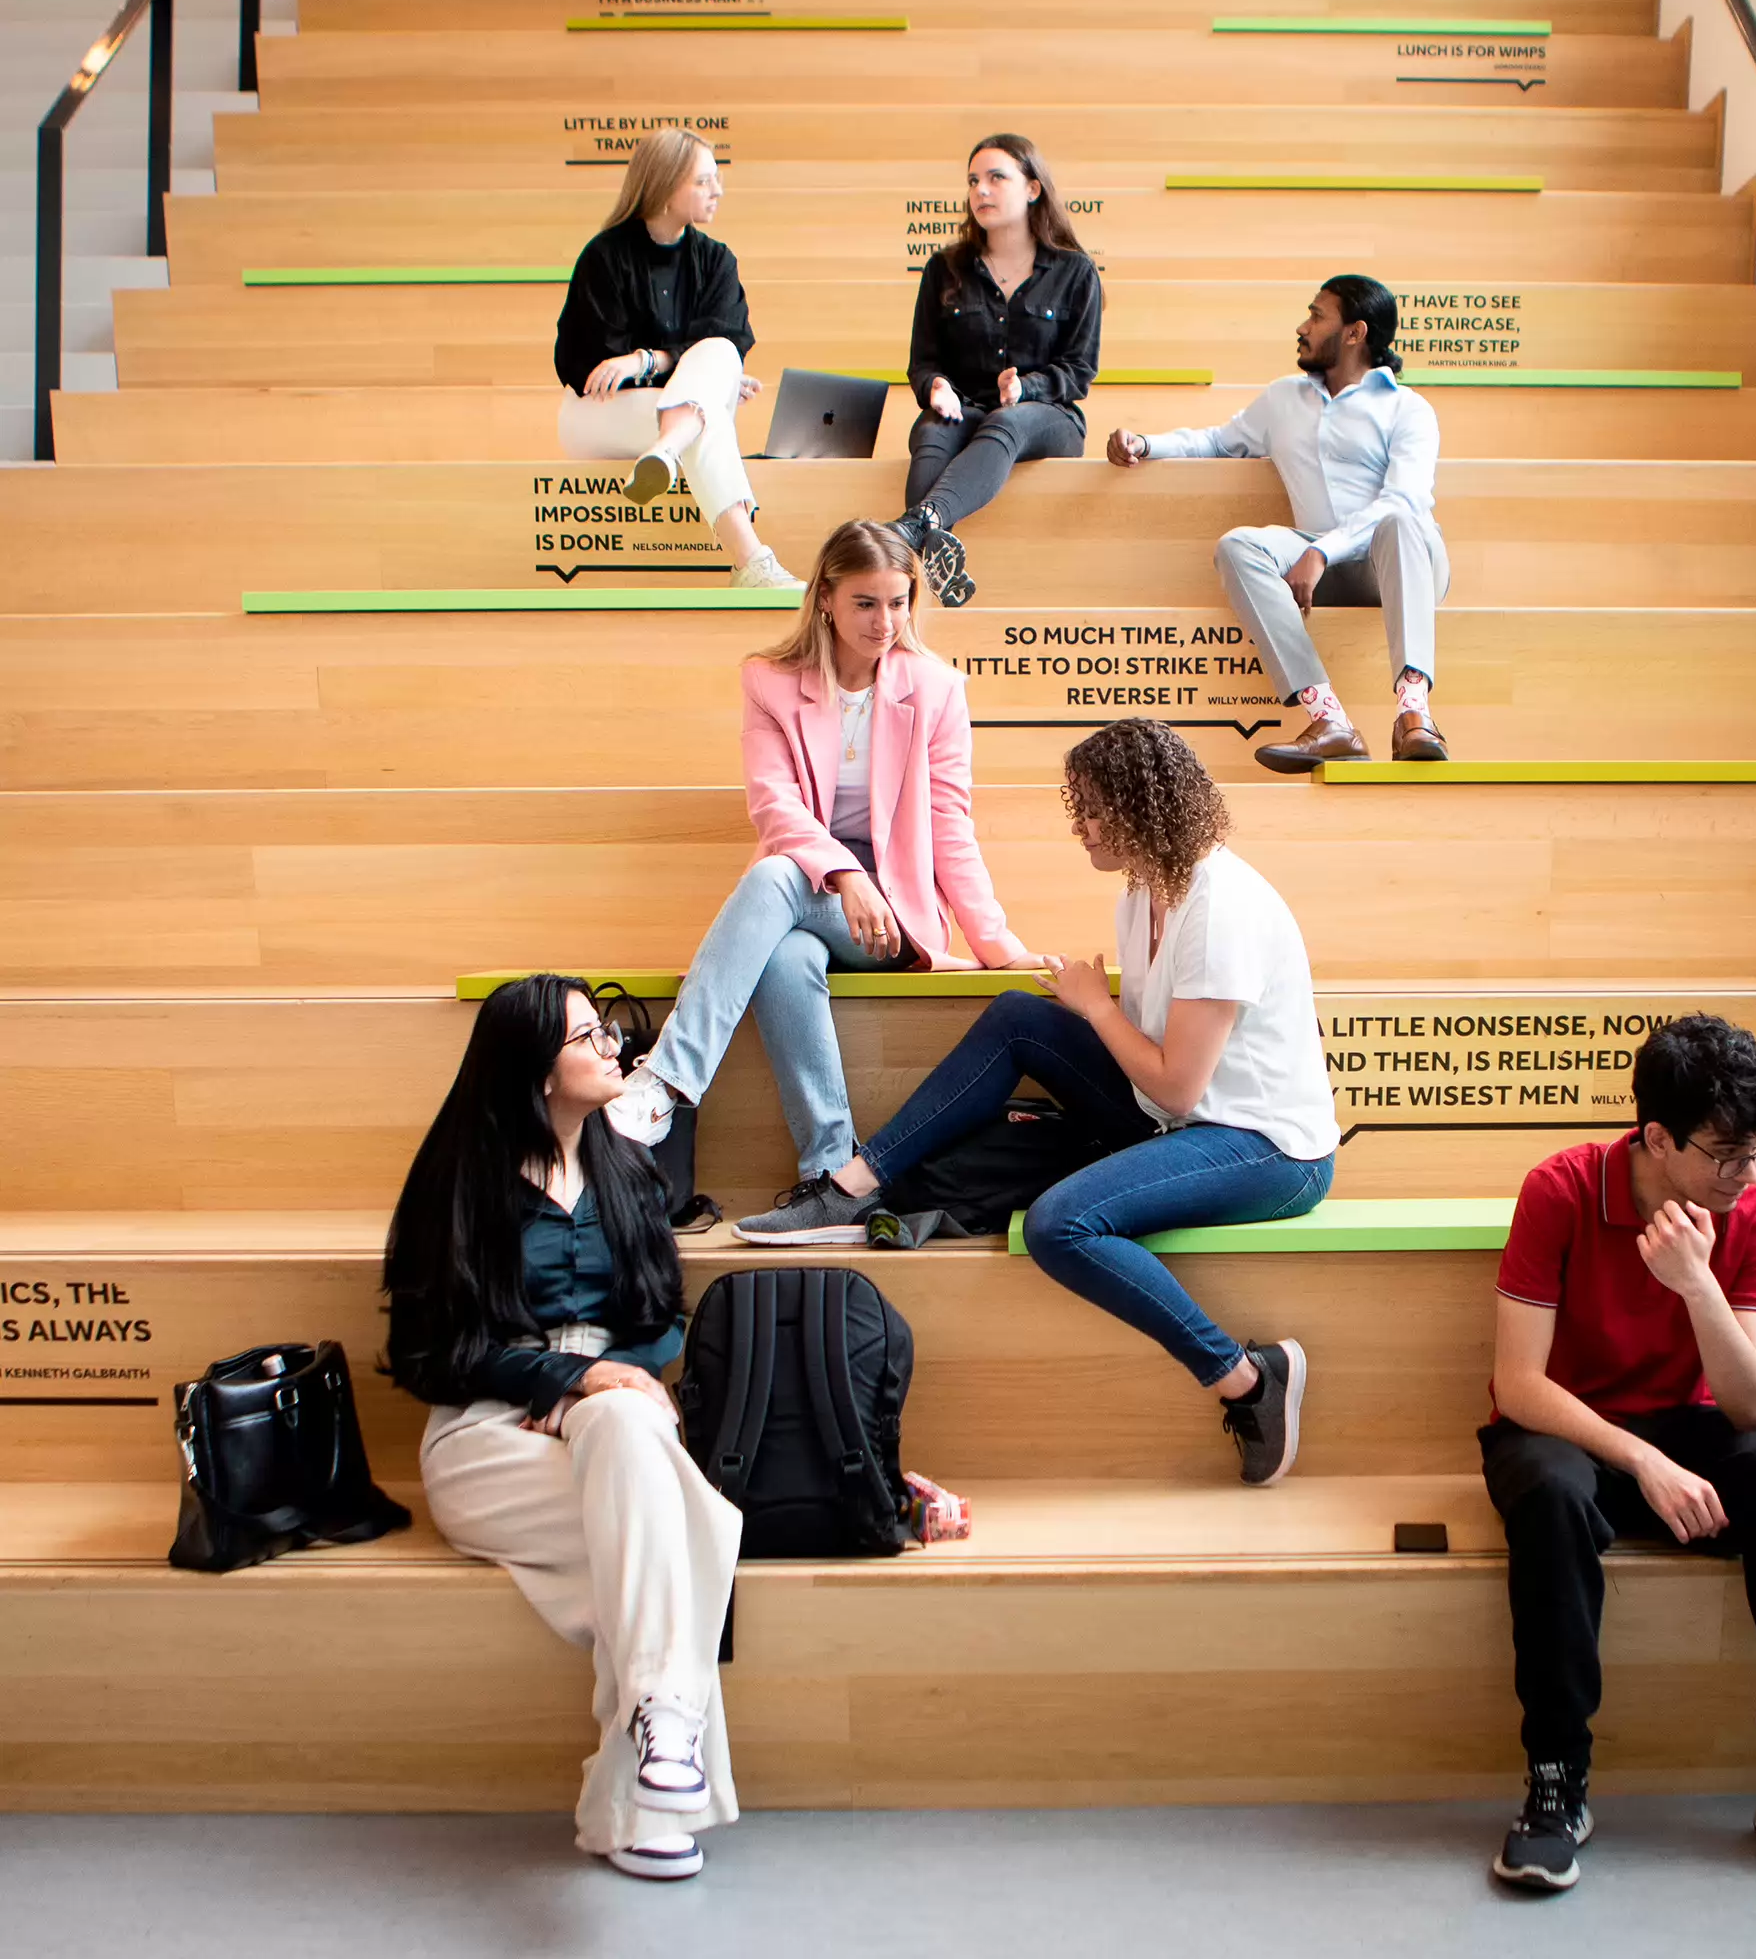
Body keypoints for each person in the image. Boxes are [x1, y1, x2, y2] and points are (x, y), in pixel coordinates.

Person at [738, 718, 1336, 1488]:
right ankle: (853, 1185)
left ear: (1144, 807)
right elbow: (1165, 1087)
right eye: (1075, 807)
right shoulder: (1142, 895)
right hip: (1179, 1120)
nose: (1081, 826)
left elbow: (1179, 1084)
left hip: (1266, 1148)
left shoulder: (1220, 906)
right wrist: (1086, 1011)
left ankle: (1247, 1380)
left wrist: (1096, 1007)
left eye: (1093, 809)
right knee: (1020, 1018)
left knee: (1060, 1224)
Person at [1480, 1015, 1756, 1899]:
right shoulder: (1560, 1190)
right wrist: (1641, 1460)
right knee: (1552, 1497)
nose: (1746, 1173)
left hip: (1691, 1430)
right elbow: (1519, 1385)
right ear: (1657, 1138)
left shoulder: (1747, 1209)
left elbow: (1753, 1407)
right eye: (1725, 1154)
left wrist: (1697, 1282)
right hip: (1568, 1428)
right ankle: (1557, 1781)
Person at [380, 974, 738, 1884]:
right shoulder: (461, 1178)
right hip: (487, 1438)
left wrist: (606, 1389)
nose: (614, 1045)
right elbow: (428, 1352)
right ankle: (649, 1798)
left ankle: (656, 1740)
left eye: (607, 1030)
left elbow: (661, 1315)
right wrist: (563, 1381)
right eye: (589, 1036)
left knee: (629, 1445)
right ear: (537, 1068)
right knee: (681, 1535)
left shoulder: (624, 1165)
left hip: (611, 1435)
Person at [610, 520, 1038, 1207]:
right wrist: (844, 876)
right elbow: (774, 807)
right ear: (826, 600)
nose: (886, 621)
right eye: (867, 603)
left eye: (899, 602)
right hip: (812, 898)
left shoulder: (936, 689)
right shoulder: (770, 682)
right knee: (786, 955)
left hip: (891, 918)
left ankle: (668, 1081)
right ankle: (832, 1172)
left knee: (777, 875)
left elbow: (951, 826)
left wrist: (999, 945)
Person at [1107, 274, 1448, 772]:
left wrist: (1321, 551)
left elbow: (1405, 500)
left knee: (1398, 520)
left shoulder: (1408, 408)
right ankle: (1329, 720)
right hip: (1321, 562)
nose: (1303, 327)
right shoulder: (1285, 398)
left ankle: (1414, 713)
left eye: (1316, 315)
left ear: (1354, 333)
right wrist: (1146, 444)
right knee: (1238, 545)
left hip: (1400, 559)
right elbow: (1219, 442)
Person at [553, 126, 791, 589]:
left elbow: (727, 340)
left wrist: (648, 362)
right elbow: (590, 368)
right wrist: (701, 379)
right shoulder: (604, 257)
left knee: (716, 364)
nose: (717, 191)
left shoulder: (717, 261)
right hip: (596, 415)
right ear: (663, 186)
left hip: (664, 418)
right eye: (703, 181)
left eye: (716, 179)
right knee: (707, 409)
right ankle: (753, 566)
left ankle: (668, 452)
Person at [895, 133, 1103, 611]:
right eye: (973, 181)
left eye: (995, 178)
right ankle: (927, 560)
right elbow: (923, 361)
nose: (980, 191)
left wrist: (1026, 386)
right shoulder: (944, 268)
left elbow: (1079, 369)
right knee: (931, 428)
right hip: (964, 407)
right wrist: (936, 387)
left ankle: (915, 529)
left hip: (1048, 417)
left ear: (1032, 188)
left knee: (1004, 420)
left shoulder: (1074, 270)